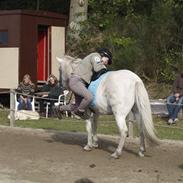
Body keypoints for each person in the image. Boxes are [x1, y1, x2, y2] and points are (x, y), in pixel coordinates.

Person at [65, 48, 112, 119]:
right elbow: (98, 69)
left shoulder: (96, 59)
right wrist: (102, 61)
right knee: (89, 97)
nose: (106, 63)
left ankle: (58, 108)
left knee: (77, 105)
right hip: (77, 81)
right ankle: (78, 112)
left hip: (78, 82)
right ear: (104, 55)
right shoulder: (96, 56)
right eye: (107, 60)